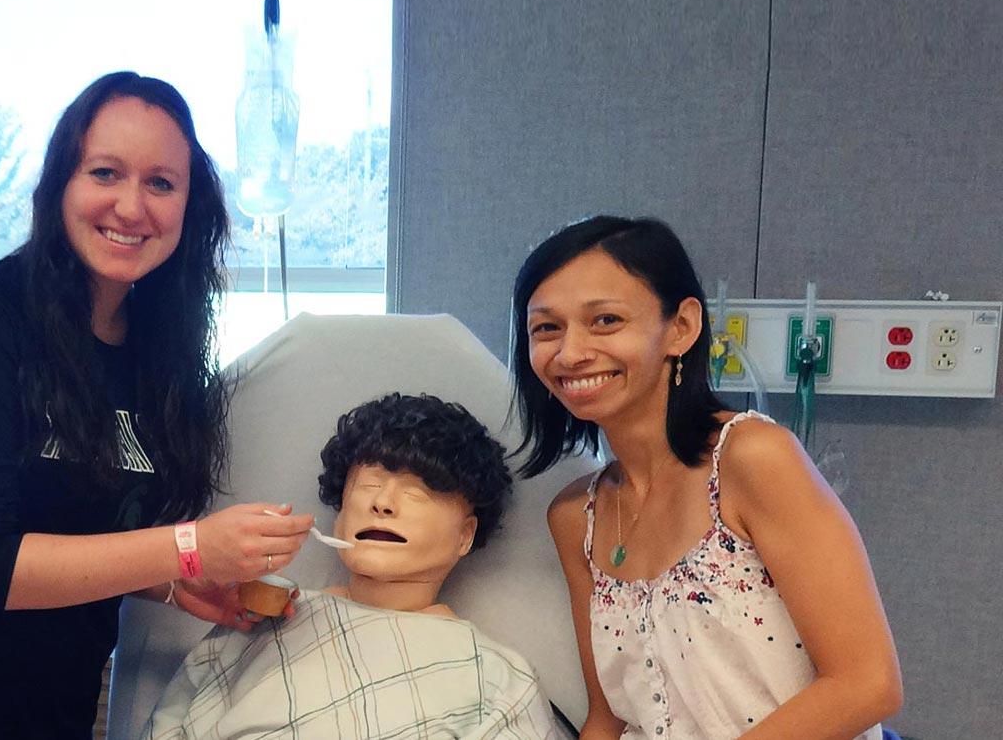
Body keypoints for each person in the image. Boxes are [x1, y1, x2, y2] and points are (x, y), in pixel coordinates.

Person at [0, 71, 314, 739]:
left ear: (189, 205)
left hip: (53, 712)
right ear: (61, 183)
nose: (131, 205)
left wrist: (177, 583)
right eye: (105, 172)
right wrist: (188, 546)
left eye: (160, 183)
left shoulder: (161, 353)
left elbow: (85, 527)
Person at [517, 216, 902, 739]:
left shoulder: (752, 459)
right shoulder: (575, 517)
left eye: (605, 320)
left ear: (681, 327)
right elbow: (609, 719)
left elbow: (867, 683)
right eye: (547, 327)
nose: (571, 352)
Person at [146, 393, 565, 739]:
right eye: (368, 486)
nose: (382, 503)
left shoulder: (495, 677)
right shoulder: (255, 623)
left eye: (417, 493)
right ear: (339, 516)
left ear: (465, 535)